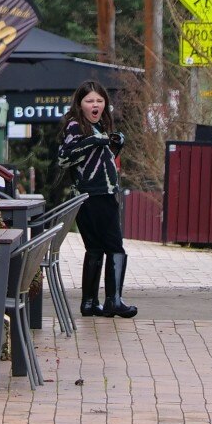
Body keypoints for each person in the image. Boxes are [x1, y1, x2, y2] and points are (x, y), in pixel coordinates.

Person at [58, 82, 138, 318]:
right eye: (90, 101)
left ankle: (90, 302)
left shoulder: (98, 125)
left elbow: (97, 161)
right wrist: (95, 141)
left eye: (99, 101)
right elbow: (65, 158)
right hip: (95, 193)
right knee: (115, 246)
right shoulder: (76, 125)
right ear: (80, 104)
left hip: (94, 192)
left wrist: (114, 146)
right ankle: (114, 300)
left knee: (94, 248)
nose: (95, 105)